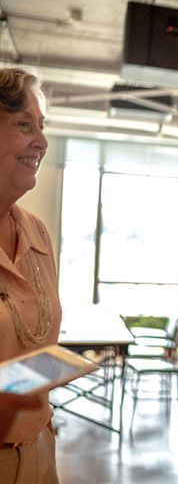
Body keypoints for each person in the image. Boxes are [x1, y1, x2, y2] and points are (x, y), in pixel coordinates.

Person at [0, 68, 63, 483]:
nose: (41, 142)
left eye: (41, 127)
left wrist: (53, 367)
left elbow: (38, 350)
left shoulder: (36, 232)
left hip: (39, 451)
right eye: (25, 125)